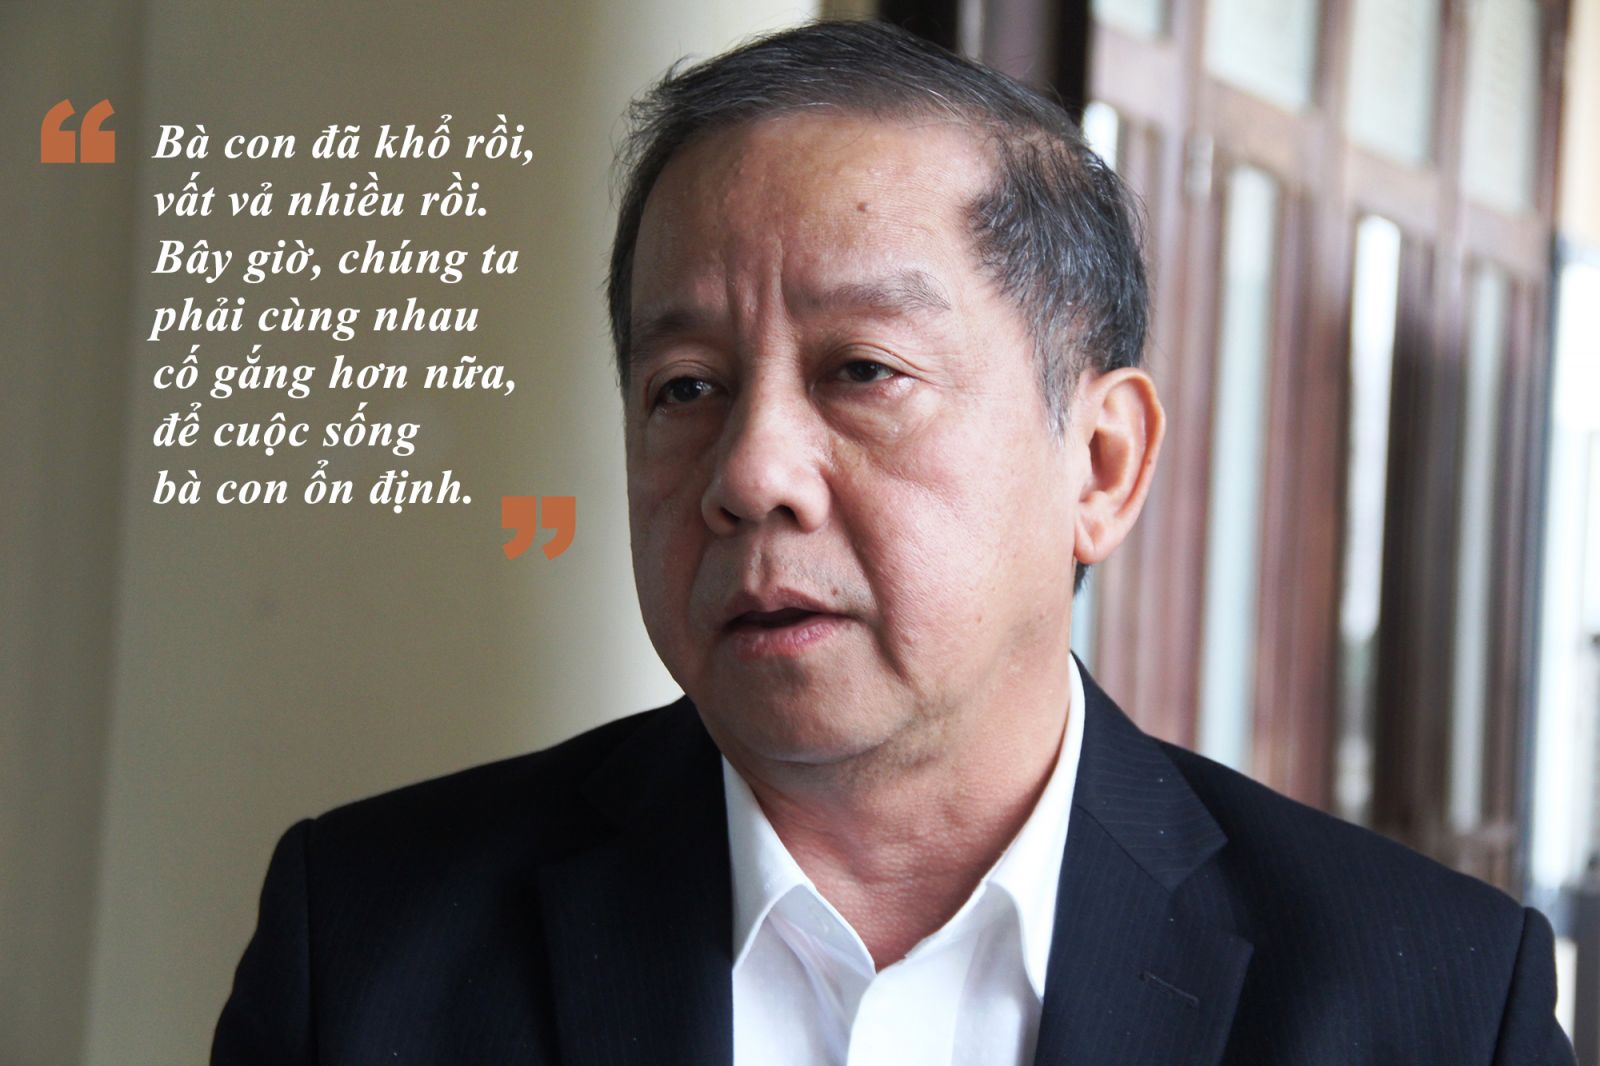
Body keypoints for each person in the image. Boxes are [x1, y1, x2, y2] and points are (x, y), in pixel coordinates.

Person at [212, 20, 1576, 1065]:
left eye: (862, 370)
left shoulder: (1434, 1003)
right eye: (685, 387)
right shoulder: (373, 947)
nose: (749, 474)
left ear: (1101, 464)